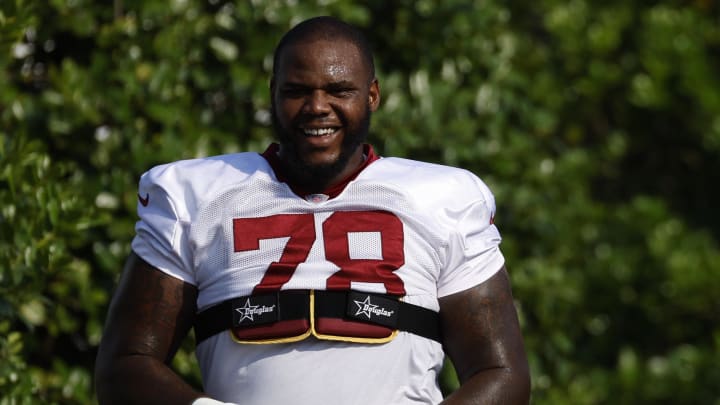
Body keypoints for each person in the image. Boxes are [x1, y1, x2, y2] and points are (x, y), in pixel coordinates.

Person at [95, 16, 530, 405]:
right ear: (273, 94)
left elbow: (502, 374)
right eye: (297, 91)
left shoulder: (443, 198)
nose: (317, 107)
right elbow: (125, 365)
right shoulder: (194, 196)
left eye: (339, 90)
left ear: (372, 95)